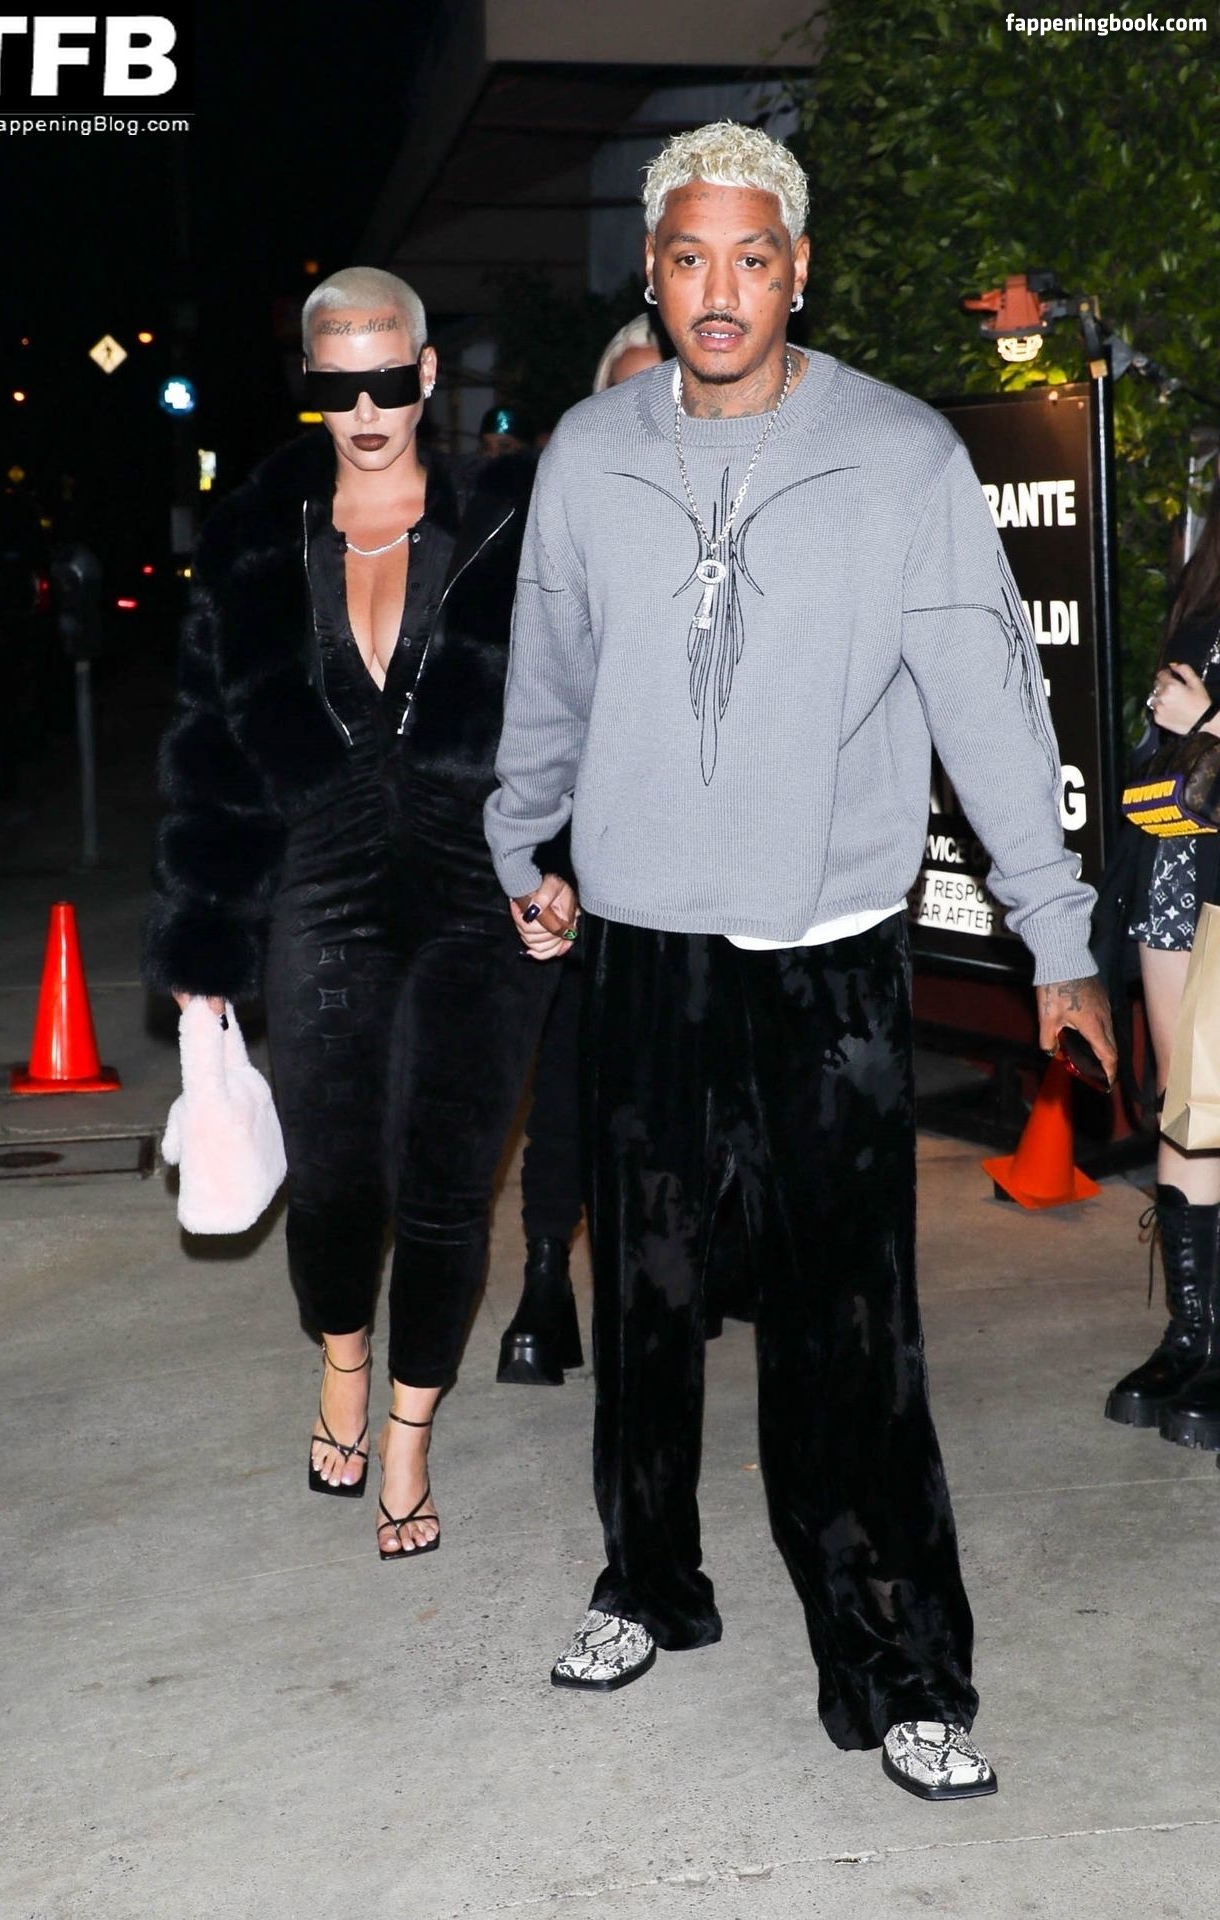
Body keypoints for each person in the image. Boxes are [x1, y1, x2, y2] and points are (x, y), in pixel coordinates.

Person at [486, 120, 1116, 1799]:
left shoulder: (899, 457)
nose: (721, 291)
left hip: (826, 957)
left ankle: (899, 1665)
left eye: (752, 258)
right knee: (647, 1298)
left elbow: (991, 704)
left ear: (800, 272)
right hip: (643, 945)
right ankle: (649, 1579)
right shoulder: (588, 454)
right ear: (651, 269)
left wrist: (1059, 937)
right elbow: (548, 672)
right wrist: (522, 840)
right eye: (690, 257)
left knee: (851, 1329)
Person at [144, 266, 564, 1557]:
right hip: (319, 883)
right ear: (314, 390)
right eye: (342, 387)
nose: (369, 410)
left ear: (426, 375)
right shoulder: (255, 537)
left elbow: (578, 704)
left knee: (446, 1184)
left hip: (478, 889)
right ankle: (340, 1358)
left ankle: (410, 1432)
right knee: (332, 1177)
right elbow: (208, 743)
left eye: (389, 380)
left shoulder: (512, 520)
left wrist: (561, 861)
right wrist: (207, 933)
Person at [497, 314, 670, 1386]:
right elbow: (523, 703)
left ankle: (654, 1279)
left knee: (669, 1079)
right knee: (567, 1067)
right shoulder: (555, 521)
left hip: (691, 856)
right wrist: (528, 858)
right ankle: (541, 1285)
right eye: (627, 394)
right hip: (576, 847)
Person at [1105, 476, 1220, 1450]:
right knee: (1187, 1107)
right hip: (1172, 863)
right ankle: (1192, 1334)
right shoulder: (1204, 578)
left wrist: (1208, 724)